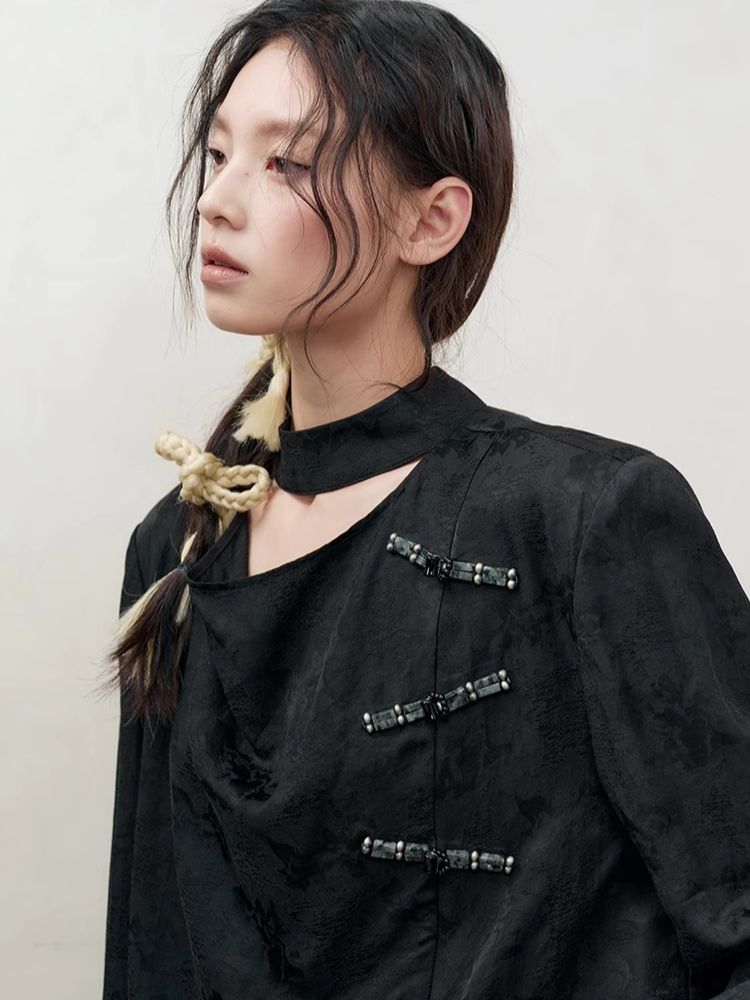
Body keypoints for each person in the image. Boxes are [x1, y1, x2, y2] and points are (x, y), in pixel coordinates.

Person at [99, 1, 750, 998]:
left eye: (286, 162)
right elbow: (149, 951)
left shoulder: (585, 516)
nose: (216, 201)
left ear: (432, 218)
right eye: (219, 153)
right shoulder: (181, 548)